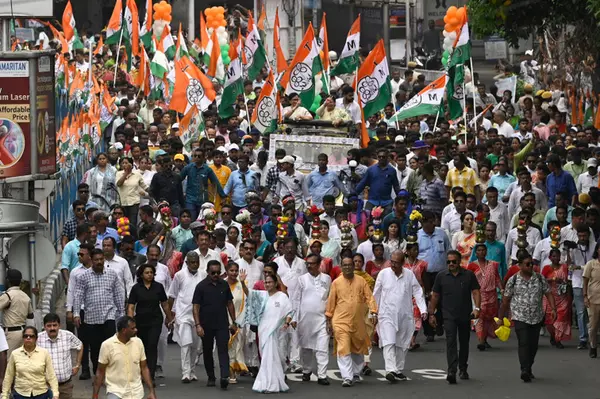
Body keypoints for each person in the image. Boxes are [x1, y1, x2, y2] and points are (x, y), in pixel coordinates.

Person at [498, 250, 556, 382]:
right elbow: (505, 300)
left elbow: (548, 293)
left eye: (532, 264)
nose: (531, 266)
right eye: (527, 264)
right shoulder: (513, 280)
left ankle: (529, 367)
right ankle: (524, 369)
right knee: (523, 343)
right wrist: (501, 318)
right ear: (520, 265)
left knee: (533, 345)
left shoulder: (540, 278)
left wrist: (553, 309)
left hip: (536, 316)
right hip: (520, 316)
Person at [428, 250, 481, 384]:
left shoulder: (468, 275)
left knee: (464, 342)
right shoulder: (441, 276)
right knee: (450, 341)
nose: (451, 264)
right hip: (448, 315)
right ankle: (451, 370)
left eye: (453, 261)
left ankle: (463, 368)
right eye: (448, 262)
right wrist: (431, 314)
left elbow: (476, 292)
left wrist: (477, 308)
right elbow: (435, 296)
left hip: (465, 314)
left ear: (459, 262)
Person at [373, 250, 427, 383]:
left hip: (405, 315)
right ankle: (390, 370)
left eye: (396, 263)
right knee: (389, 342)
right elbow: (376, 294)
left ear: (403, 263)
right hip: (386, 314)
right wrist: (374, 311)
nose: (393, 265)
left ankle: (397, 370)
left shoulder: (409, 274)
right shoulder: (383, 274)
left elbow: (418, 291)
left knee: (402, 344)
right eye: (391, 261)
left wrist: (423, 309)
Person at [325, 256, 378, 387]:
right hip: (340, 321)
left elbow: (369, 297)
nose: (348, 267)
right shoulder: (336, 283)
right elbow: (331, 302)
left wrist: (373, 311)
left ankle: (355, 373)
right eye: (345, 265)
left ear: (353, 267)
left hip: (358, 321)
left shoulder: (361, 281)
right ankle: (347, 377)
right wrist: (328, 319)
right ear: (341, 267)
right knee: (344, 347)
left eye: (350, 265)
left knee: (358, 347)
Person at [72, 248, 125, 375]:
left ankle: (110, 372)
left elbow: (118, 294)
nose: (99, 262)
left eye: (101, 259)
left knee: (110, 345)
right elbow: (78, 295)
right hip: (91, 317)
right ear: (91, 260)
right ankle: (97, 371)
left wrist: (122, 313)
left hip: (109, 315)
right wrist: (76, 314)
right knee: (95, 348)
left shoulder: (112, 274)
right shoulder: (84, 276)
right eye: (96, 260)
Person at [244, 274, 293, 393]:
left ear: (276, 283)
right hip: (263, 330)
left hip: (276, 331)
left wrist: (286, 323)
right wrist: (242, 282)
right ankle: (267, 383)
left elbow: (289, 312)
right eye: (266, 282)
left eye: (270, 282)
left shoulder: (282, 296)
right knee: (267, 357)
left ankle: (271, 384)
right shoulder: (262, 295)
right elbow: (249, 293)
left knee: (272, 357)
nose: (267, 285)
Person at [192, 260, 237, 390]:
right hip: (206, 325)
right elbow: (196, 307)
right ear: (207, 272)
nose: (216, 275)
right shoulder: (201, 286)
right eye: (213, 272)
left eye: (218, 272)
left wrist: (234, 322)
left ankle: (224, 377)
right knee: (207, 350)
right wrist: (198, 325)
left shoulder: (224, 285)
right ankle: (211, 377)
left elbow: (229, 303)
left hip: (222, 324)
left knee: (223, 349)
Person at [127, 263, 173, 381]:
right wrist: (130, 322)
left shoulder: (158, 287)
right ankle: (141, 372)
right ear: (141, 275)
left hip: (155, 320)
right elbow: (131, 306)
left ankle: (150, 375)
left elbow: (164, 304)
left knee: (152, 345)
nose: (149, 275)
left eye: (151, 273)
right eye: (147, 273)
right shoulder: (136, 288)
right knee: (142, 347)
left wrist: (169, 318)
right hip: (141, 321)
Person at [292, 253, 332, 385]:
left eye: (312, 263)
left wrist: (330, 318)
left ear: (319, 264)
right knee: (306, 348)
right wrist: (294, 317)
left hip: (322, 319)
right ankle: (307, 370)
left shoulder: (327, 279)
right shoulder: (302, 279)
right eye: (307, 264)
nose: (309, 266)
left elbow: (330, 298)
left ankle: (322, 375)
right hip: (305, 319)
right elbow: (296, 299)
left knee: (322, 348)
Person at [94, 316, 156, 399]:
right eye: (133, 328)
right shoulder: (107, 345)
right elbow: (100, 371)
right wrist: (95, 395)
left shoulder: (138, 342)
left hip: (136, 392)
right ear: (124, 330)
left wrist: (151, 391)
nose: (136, 330)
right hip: (116, 392)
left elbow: (144, 368)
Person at [168, 251, 207, 382]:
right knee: (186, 343)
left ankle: (192, 371)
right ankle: (185, 373)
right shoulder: (179, 275)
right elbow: (172, 295)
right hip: (183, 313)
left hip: (199, 315)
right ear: (186, 263)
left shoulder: (203, 274)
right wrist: (170, 315)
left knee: (195, 345)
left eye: (197, 262)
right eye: (192, 262)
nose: (195, 264)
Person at [1, 326, 58, 399]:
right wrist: (4, 395)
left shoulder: (44, 353)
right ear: (23, 338)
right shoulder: (15, 354)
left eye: (31, 336)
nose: (28, 338)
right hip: (20, 394)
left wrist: (55, 394)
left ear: (36, 339)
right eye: (25, 336)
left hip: (41, 394)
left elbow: (51, 375)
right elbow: (9, 376)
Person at [37, 313, 83, 399]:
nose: (52, 328)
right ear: (44, 326)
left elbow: (80, 346)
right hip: (45, 387)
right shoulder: (38, 339)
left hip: (65, 386)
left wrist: (77, 365)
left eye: (55, 325)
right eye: (49, 326)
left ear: (59, 325)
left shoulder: (68, 336)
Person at [467, 244, 502, 350]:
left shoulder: (493, 264)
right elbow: (469, 281)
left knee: (489, 318)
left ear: (486, 252)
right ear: (475, 253)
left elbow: (497, 278)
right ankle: (481, 341)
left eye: (483, 250)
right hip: (478, 295)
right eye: (479, 250)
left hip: (492, 295)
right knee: (479, 317)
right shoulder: (471, 266)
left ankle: (484, 339)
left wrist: (502, 289)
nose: (481, 252)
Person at [541, 249, 572, 348]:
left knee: (561, 318)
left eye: (557, 256)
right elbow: (541, 280)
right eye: (553, 256)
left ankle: (558, 339)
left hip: (562, 297)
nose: (556, 258)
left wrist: (568, 251)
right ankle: (553, 336)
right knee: (550, 320)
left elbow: (569, 275)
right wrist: (553, 279)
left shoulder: (564, 267)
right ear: (550, 257)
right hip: (550, 297)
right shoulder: (546, 268)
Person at [0, 269, 34, 357]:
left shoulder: (7, 296)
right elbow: (31, 315)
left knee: (9, 360)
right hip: (23, 332)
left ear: (8, 281)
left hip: (11, 333)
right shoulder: (25, 296)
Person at [224, 262, 249, 383]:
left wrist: (243, 283)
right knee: (229, 348)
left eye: (236, 271)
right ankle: (231, 373)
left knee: (238, 347)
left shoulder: (241, 285)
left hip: (240, 320)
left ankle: (236, 369)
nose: (234, 273)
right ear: (227, 271)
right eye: (231, 271)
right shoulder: (222, 284)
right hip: (225, 320)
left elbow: (249, 297)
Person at [115, 157, 148, 227]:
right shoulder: (118, 174)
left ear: (131, 165)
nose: (125, 165)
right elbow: (119, 184)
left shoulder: (137, 174)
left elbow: (145, 187)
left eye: (126, 163)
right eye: (123, 163)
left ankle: (132, 237)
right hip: (123, 203)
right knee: (122, 223)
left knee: (132, 223)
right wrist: (126, 173)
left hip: (134, 202)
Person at [584, 242, 600, 358]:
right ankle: (593, 346)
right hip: (593, 300)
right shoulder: (591, 264)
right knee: (593, 327)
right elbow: (585, 281)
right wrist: (585, 296)